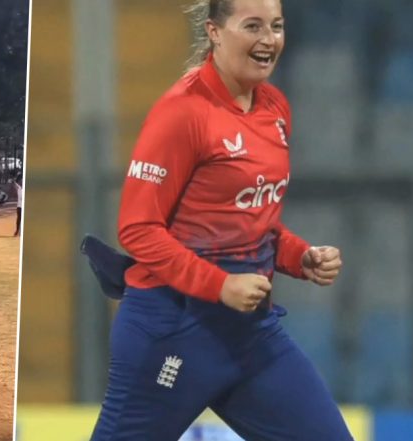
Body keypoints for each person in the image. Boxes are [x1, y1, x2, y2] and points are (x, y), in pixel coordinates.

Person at [88, 1, 352, 440]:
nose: (269, 40)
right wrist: (221, 284)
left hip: (250, 336)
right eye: (253, 26)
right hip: (172, 332)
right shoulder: (183, 112)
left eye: (277, 26)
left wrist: (299, 256)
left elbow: (252, 222)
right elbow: (137, 229)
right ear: (214, 31)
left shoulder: (275, 107)